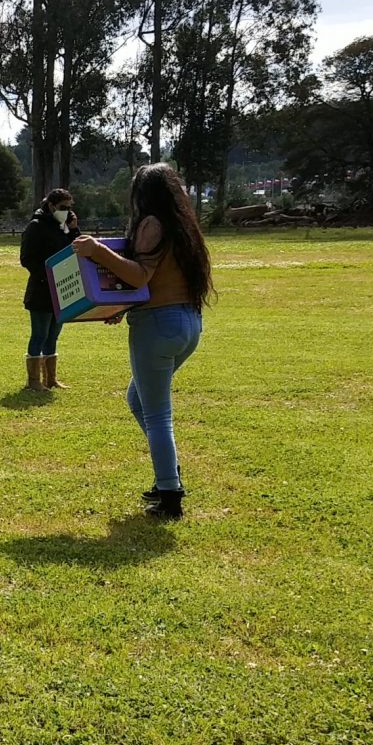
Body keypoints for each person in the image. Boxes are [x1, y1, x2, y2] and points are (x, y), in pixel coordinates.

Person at [70, 164, 214, 519]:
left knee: (157, 414)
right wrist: (122, 306)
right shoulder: (183, 226)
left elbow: (139, 275)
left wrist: (96, 250)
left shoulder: (151, 224)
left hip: (157, 326)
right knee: (137, 399)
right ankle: (168, 473)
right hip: (188, 324)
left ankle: (170, 493)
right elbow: (156, 283)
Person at [19, 188, 80, 391]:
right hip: (41, 291)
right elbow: (26, 259)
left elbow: (76, 250)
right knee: (40, 335)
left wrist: (74, 229)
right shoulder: (35, 227)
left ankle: (50, 379)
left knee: (53, 335)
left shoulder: (63, 227)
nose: (67, 211)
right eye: (63, 207)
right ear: (51, 206)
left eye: (70, 208)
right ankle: (33, 380)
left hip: (61, 290)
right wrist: (47, 275)